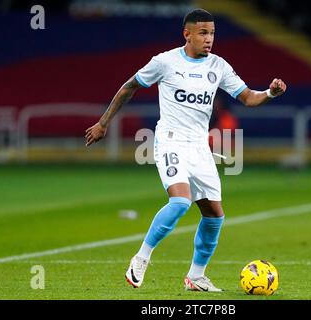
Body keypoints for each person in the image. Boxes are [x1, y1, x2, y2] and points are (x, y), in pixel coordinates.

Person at [85, 8, 286, 292]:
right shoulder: (164, 62)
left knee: (215, 215)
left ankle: (196, 276)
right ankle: (141, 257)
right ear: (187, 34)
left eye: (212, 33)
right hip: (170, 140)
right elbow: (129, 87)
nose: (209, 39)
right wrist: (103, 123)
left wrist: (269, 93)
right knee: (180, 202)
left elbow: (247, 98)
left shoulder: (218, 66)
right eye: (203, 33)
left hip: (199, 146)